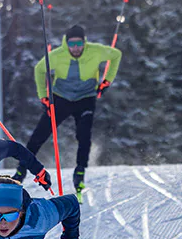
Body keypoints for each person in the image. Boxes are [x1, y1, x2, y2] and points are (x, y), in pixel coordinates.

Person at [18, 24, 121, 195]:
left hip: (86, 98)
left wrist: (107, 81)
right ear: (66, 43)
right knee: (41, 133)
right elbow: (39, 69)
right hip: (61, 98)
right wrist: (43, 95)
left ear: (84, 43)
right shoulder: (57, 55)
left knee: (84, 134)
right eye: (72, 44)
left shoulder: (95, 51)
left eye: (79, 44)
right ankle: (21, 168)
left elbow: (116, 55)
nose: (75, 48)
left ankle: (80, 170)